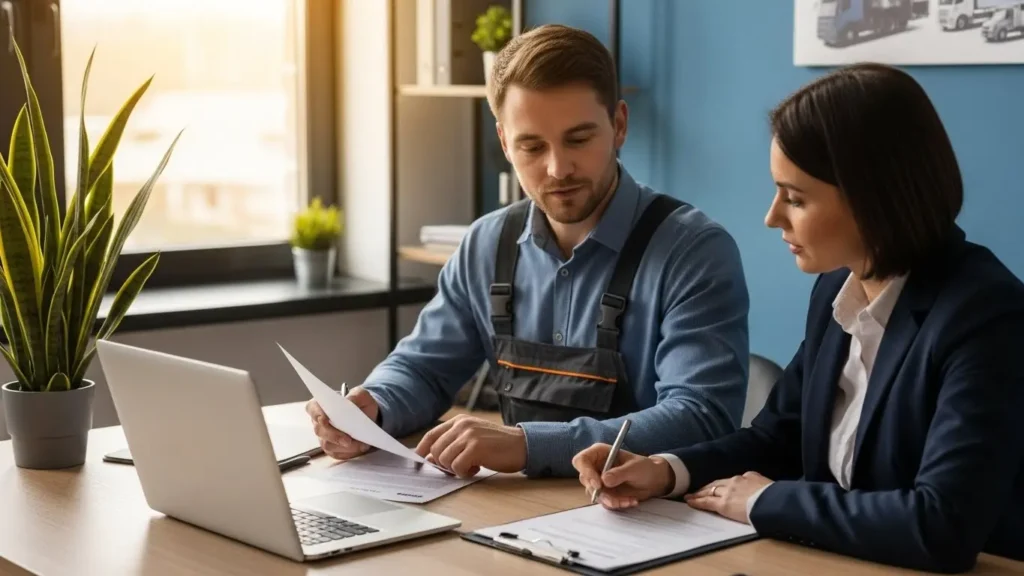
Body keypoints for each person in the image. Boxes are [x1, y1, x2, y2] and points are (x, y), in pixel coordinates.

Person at [571, 62, 1024, 573]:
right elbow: (776, 438)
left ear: (874, 199)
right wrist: (665, 470)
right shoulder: (838, 287)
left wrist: (764, 503)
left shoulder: (986, 316)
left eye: (796, 198)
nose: (772, 216)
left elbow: (941, 525)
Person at [305, 24, 751, 480]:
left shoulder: (693, 251)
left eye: (578, 139)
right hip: (516, 513)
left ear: (618, 125)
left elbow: (702, 417)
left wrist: (528, 445)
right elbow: (423, 370)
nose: (558, 168)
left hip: (646, 520)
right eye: (532, 146)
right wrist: (373, 406)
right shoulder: (485, 245)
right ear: (503, 142)